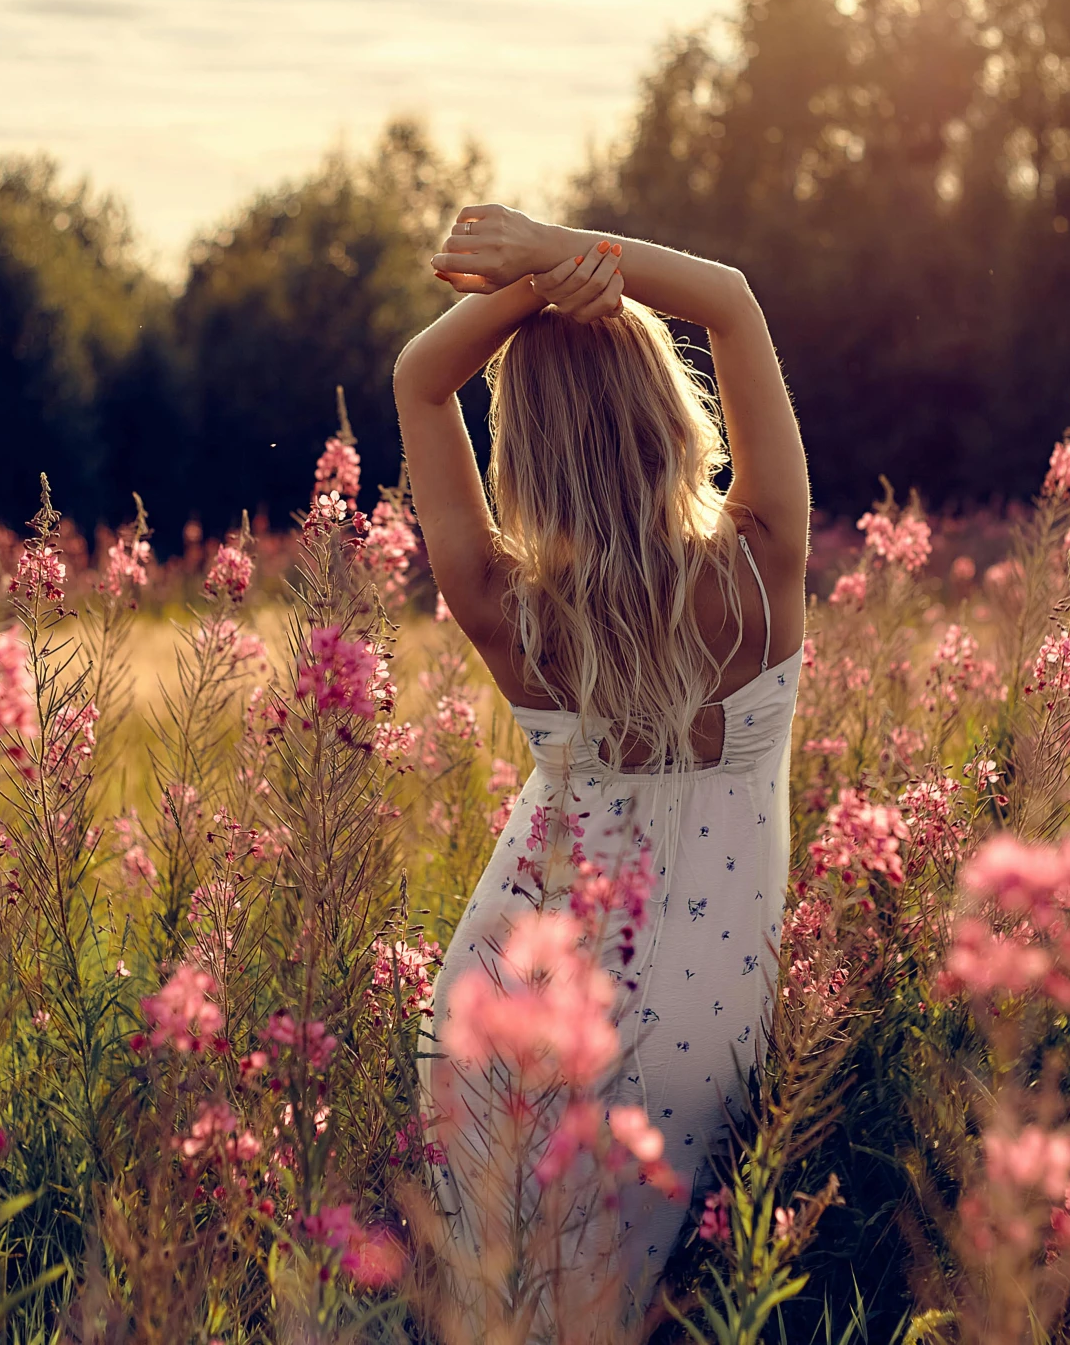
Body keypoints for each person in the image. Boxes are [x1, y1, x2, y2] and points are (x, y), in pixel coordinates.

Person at [393, 204, 809, 1331]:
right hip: (697, 1007)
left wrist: (526, 289)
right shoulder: (765, 565)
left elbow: (421, 379)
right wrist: (560, 254)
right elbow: (726, 292)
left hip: (505, 992)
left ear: (521, 451)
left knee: (498, 1309)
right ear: (670, 412)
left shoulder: (501, 604)